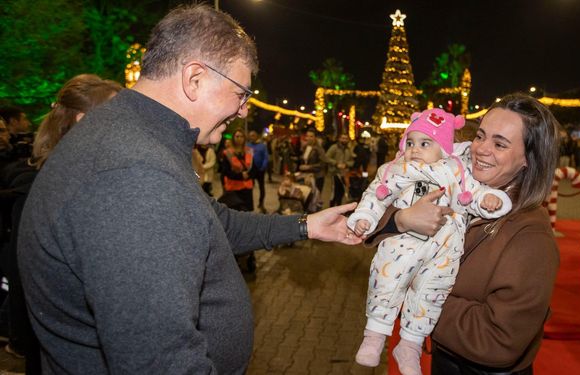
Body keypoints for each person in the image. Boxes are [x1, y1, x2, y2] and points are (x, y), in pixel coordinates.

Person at [17, 5, 360, 374]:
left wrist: (305, 225)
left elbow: (212, 225)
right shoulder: (135, 176)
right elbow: (158, 363)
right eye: (240, 92)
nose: (244, 111)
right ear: (194, 78)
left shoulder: (134, 137)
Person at [362, 93, 561, 375]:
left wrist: (414, 293)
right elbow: (379, 217)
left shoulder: (529, 237)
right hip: (444, 362)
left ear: (528, 159)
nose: (481, 149)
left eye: (500, 144)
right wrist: (403, 220)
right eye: (480, 136)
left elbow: (499, 340)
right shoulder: (455, 181)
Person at [347, 109, 512, 374]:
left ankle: (410, 345)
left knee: (430, 293)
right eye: (410, 143)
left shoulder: (455, 170)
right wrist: (365, 216)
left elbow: (471, 194)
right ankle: (375, 335)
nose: (415, 149)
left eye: (425, 143)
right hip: (403, 244)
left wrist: (488, 200)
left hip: (443, 247)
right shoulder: (398, 169)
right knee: (386, 281)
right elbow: (376, 195)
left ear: (444, 148)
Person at [1, 74, 122, 374]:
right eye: (118, 115)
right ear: (83, 121)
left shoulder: (92, 176)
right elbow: (23, 276)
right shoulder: (48, 184)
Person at [219, 129, 254, 211]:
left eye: (241, 136)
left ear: (244, 138)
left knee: (247, 213)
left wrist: (250, 175)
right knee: (234, 213)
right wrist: (240, 176)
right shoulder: (227, 153)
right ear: (233, 138)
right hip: (233, 188)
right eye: (237, 136)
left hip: (247, 188)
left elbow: (253, 168)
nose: (239, 138)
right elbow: (226, 172)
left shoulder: (249, 151)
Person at [326, 133, 354, 207]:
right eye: (343, 138)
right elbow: (326, 157)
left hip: (344, 174)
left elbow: (352, 161)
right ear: (339, 139)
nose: (344, 140)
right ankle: (331, 209)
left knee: (341, 193)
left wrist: (346, 164)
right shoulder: (334, 147)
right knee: (333, 193)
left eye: (346, 138)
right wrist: (336, 163)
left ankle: (338, 207)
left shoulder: (348, 150)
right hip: (334, 174)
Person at [299, 127, 329, 192]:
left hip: (317, 177)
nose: (309, 138)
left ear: (315, 137)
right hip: (306, 176)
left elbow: (323, 163)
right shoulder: (305, 147)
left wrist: (309, 167)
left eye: (311, 136)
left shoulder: (319, 149)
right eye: (307, 136)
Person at [247, 129, 269, 212]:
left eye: (253, 135)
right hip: (251, 170)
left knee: (261, 188)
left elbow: (266, 157)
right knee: (249, 187)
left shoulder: (262, 146)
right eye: (250, 135)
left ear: (257, 136)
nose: (252, 137)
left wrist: (263, 167)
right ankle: (249, 204)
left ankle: (261, 203)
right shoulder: (247, 145)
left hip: (260, 170)